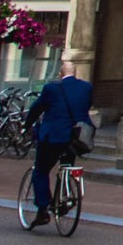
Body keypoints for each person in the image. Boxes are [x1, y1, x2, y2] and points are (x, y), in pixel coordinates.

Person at [28, 59, 94, 222]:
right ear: (75, 73)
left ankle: (43, 209)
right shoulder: (86, 87)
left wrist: (27, 124)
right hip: (76, 137)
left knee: (41, 170)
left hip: (55, 136)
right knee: (66, 165)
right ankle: (66, 195)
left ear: (60, 74)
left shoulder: (51, 89)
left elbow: (37, 108)